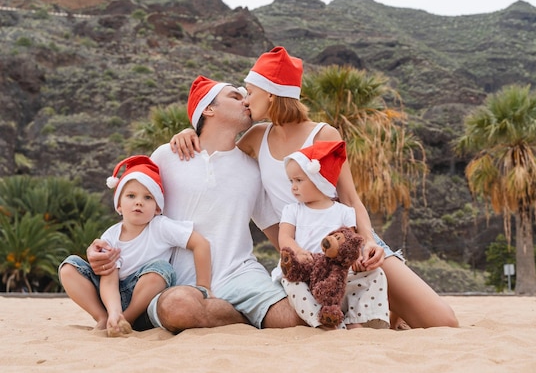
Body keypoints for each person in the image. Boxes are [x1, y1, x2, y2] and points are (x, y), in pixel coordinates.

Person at [171, 46, 458, 329]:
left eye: (250, 91)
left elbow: (350, 198)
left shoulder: (324, 134)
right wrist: (189, 131)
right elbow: (219, 150)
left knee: (443, 322)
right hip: (309, 258)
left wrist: (369, 241)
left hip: (351, 245)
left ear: (270, 93)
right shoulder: (257, 137)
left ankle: (391, 308)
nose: (246, 99)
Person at [86, 76, 305, 333]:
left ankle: (232, 312)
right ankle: (243, 316)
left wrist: (307, 260)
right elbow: (136, 210)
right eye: (235, 96)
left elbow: (274, 229)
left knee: (291, 319)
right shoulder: (166, 156)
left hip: (240, 274)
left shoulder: (252, 167)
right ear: (208, 109)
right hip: (178, 281)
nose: (246, 100)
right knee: (178, 308)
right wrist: (103, 248)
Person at [58, 155, 212, 336]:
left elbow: (200, 244)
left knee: (161, 268)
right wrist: (113, 311)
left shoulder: (160, 226)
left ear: (156, 208)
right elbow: (109, 278)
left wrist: (204, 287)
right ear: (119, 205)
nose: (139, 201)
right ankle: (104, 318)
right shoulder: (111, 236)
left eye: (148, 197)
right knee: (68, 267)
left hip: (144, 302)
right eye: (131, 196)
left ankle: (126, 319)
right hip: (111, 297)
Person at [278, 140, 389, 329]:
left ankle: (357, 320)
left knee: (376, 274)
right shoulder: (292, 210)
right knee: (292, 284)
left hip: (337, 271)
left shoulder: (344, 211)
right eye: (291, 181)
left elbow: (349, 240)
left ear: (319, 181)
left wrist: (352, 258)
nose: (293, 187)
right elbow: (285, 237)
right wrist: (297, 251)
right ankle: (323, 321)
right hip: (308, 269)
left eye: (299, 180)